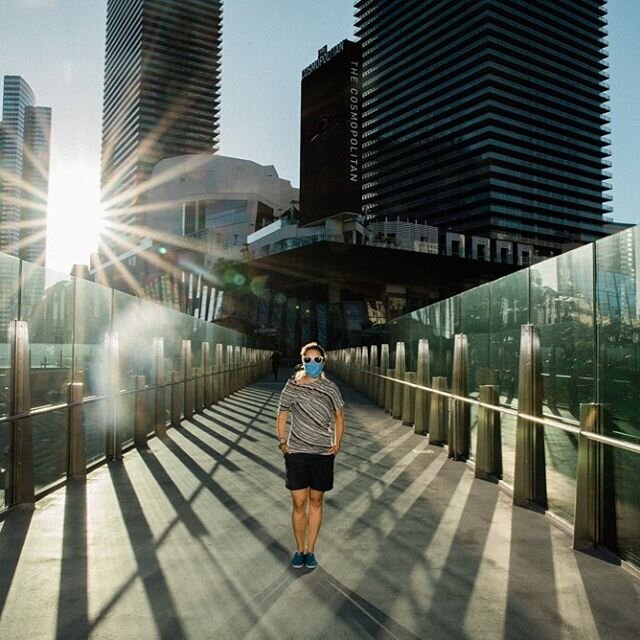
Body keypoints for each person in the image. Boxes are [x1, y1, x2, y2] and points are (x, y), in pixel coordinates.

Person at [275, 341, 345, 569]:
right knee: (298, 502)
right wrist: (283, 442)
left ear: (323, 362)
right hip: (297, 452)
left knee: (316, 501)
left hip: (322, 454)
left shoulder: (331, 388)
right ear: (302, 361)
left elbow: (339, 416)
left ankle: (311, 551)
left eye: (317, 360)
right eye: (308, 359)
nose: (312, 363)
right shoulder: (292, 386)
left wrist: (337, 443)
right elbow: (282, 413)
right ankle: (299, 550)